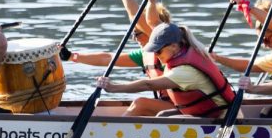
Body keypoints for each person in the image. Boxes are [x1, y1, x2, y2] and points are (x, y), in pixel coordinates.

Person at [67, 0, 170, 117]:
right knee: (140, 104)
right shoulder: (145, 55)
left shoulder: (168, 45)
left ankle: (111, 135)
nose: (134, 38)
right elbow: (107, 59)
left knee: (140, 103)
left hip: (186, 108)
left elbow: (136, 16)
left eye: (137, 33)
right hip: (171, 103)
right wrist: (72, 56)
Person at [96, 18, 235, 118]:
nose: (156, 55)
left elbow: (148, 85)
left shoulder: (185, 70)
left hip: (220, 118)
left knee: (166, 118)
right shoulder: (180, 54)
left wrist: (113, 87)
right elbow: (146, 20)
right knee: (161, 115)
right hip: (202, 111)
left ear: (174, 46)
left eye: (158, 51)